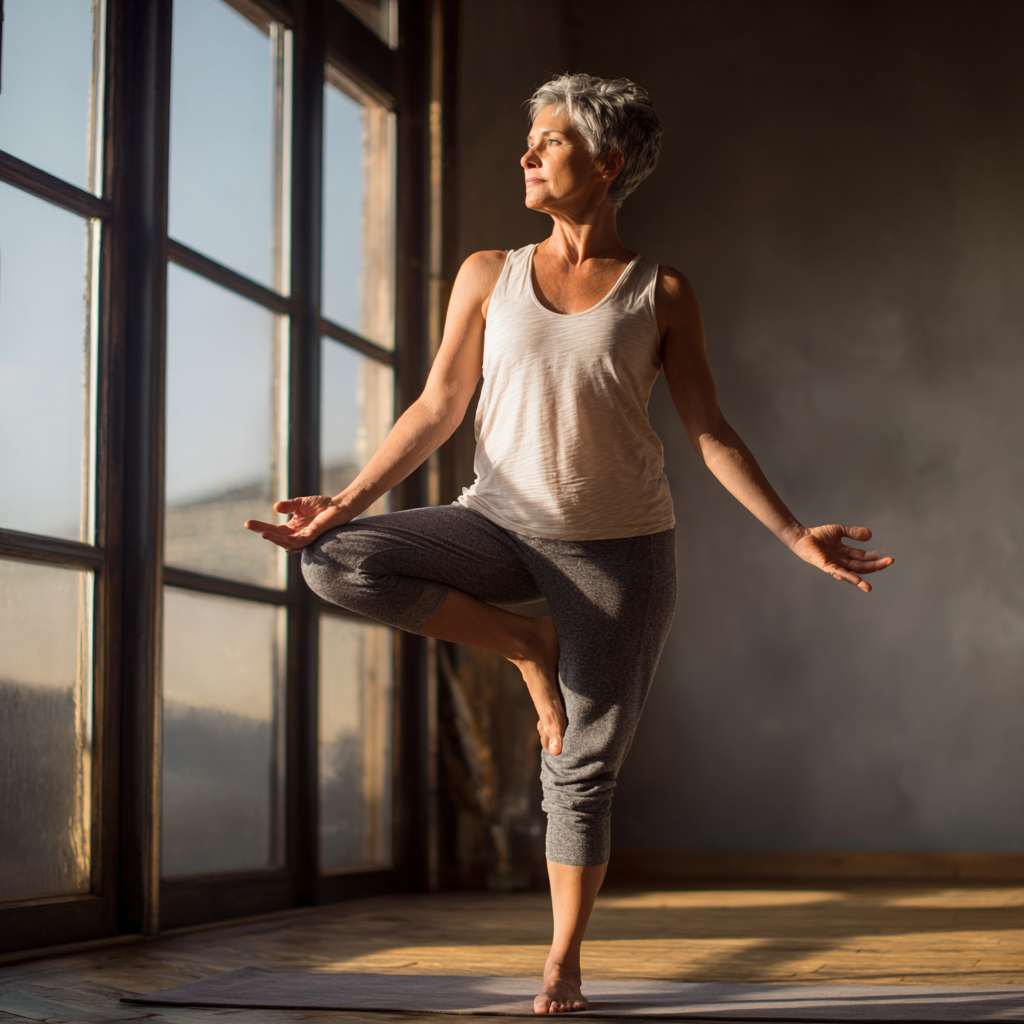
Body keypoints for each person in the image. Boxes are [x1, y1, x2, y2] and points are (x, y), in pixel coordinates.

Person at [245, 73, 894, 1014]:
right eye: (532, 140)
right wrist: (340, 505)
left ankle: (561, 959)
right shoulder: (486, 275)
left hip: (621, 554)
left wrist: (794, 534)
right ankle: (525, 645)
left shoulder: (660, 294)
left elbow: (710, 431)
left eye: (549, 142)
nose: (528, 154)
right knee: (334, 563)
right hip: (496, 528)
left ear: (607, 164)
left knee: (581, 767)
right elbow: (437, 408)